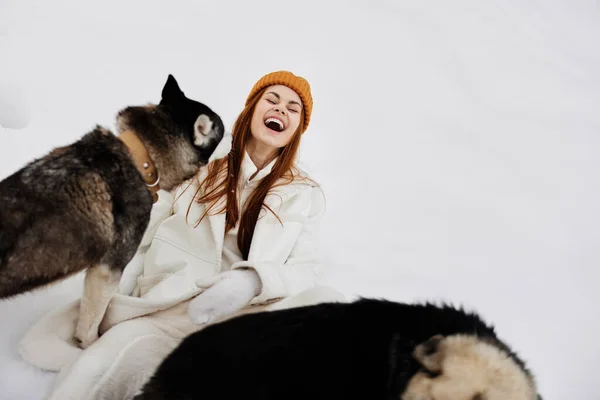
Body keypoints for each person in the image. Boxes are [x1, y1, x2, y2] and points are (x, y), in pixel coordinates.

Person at [18, 71, 346, 400]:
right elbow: (142, 229)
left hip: (247, 318)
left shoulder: (305, 194)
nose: (281, 110)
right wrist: (116, 299)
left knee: (329, 303)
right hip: (169, 309)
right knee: (91, 375)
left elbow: (305, 270)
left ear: (298, 129)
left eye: (293, 108)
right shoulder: (198, 158)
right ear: (251, 109)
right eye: (271, 100)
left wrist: (252, 281)